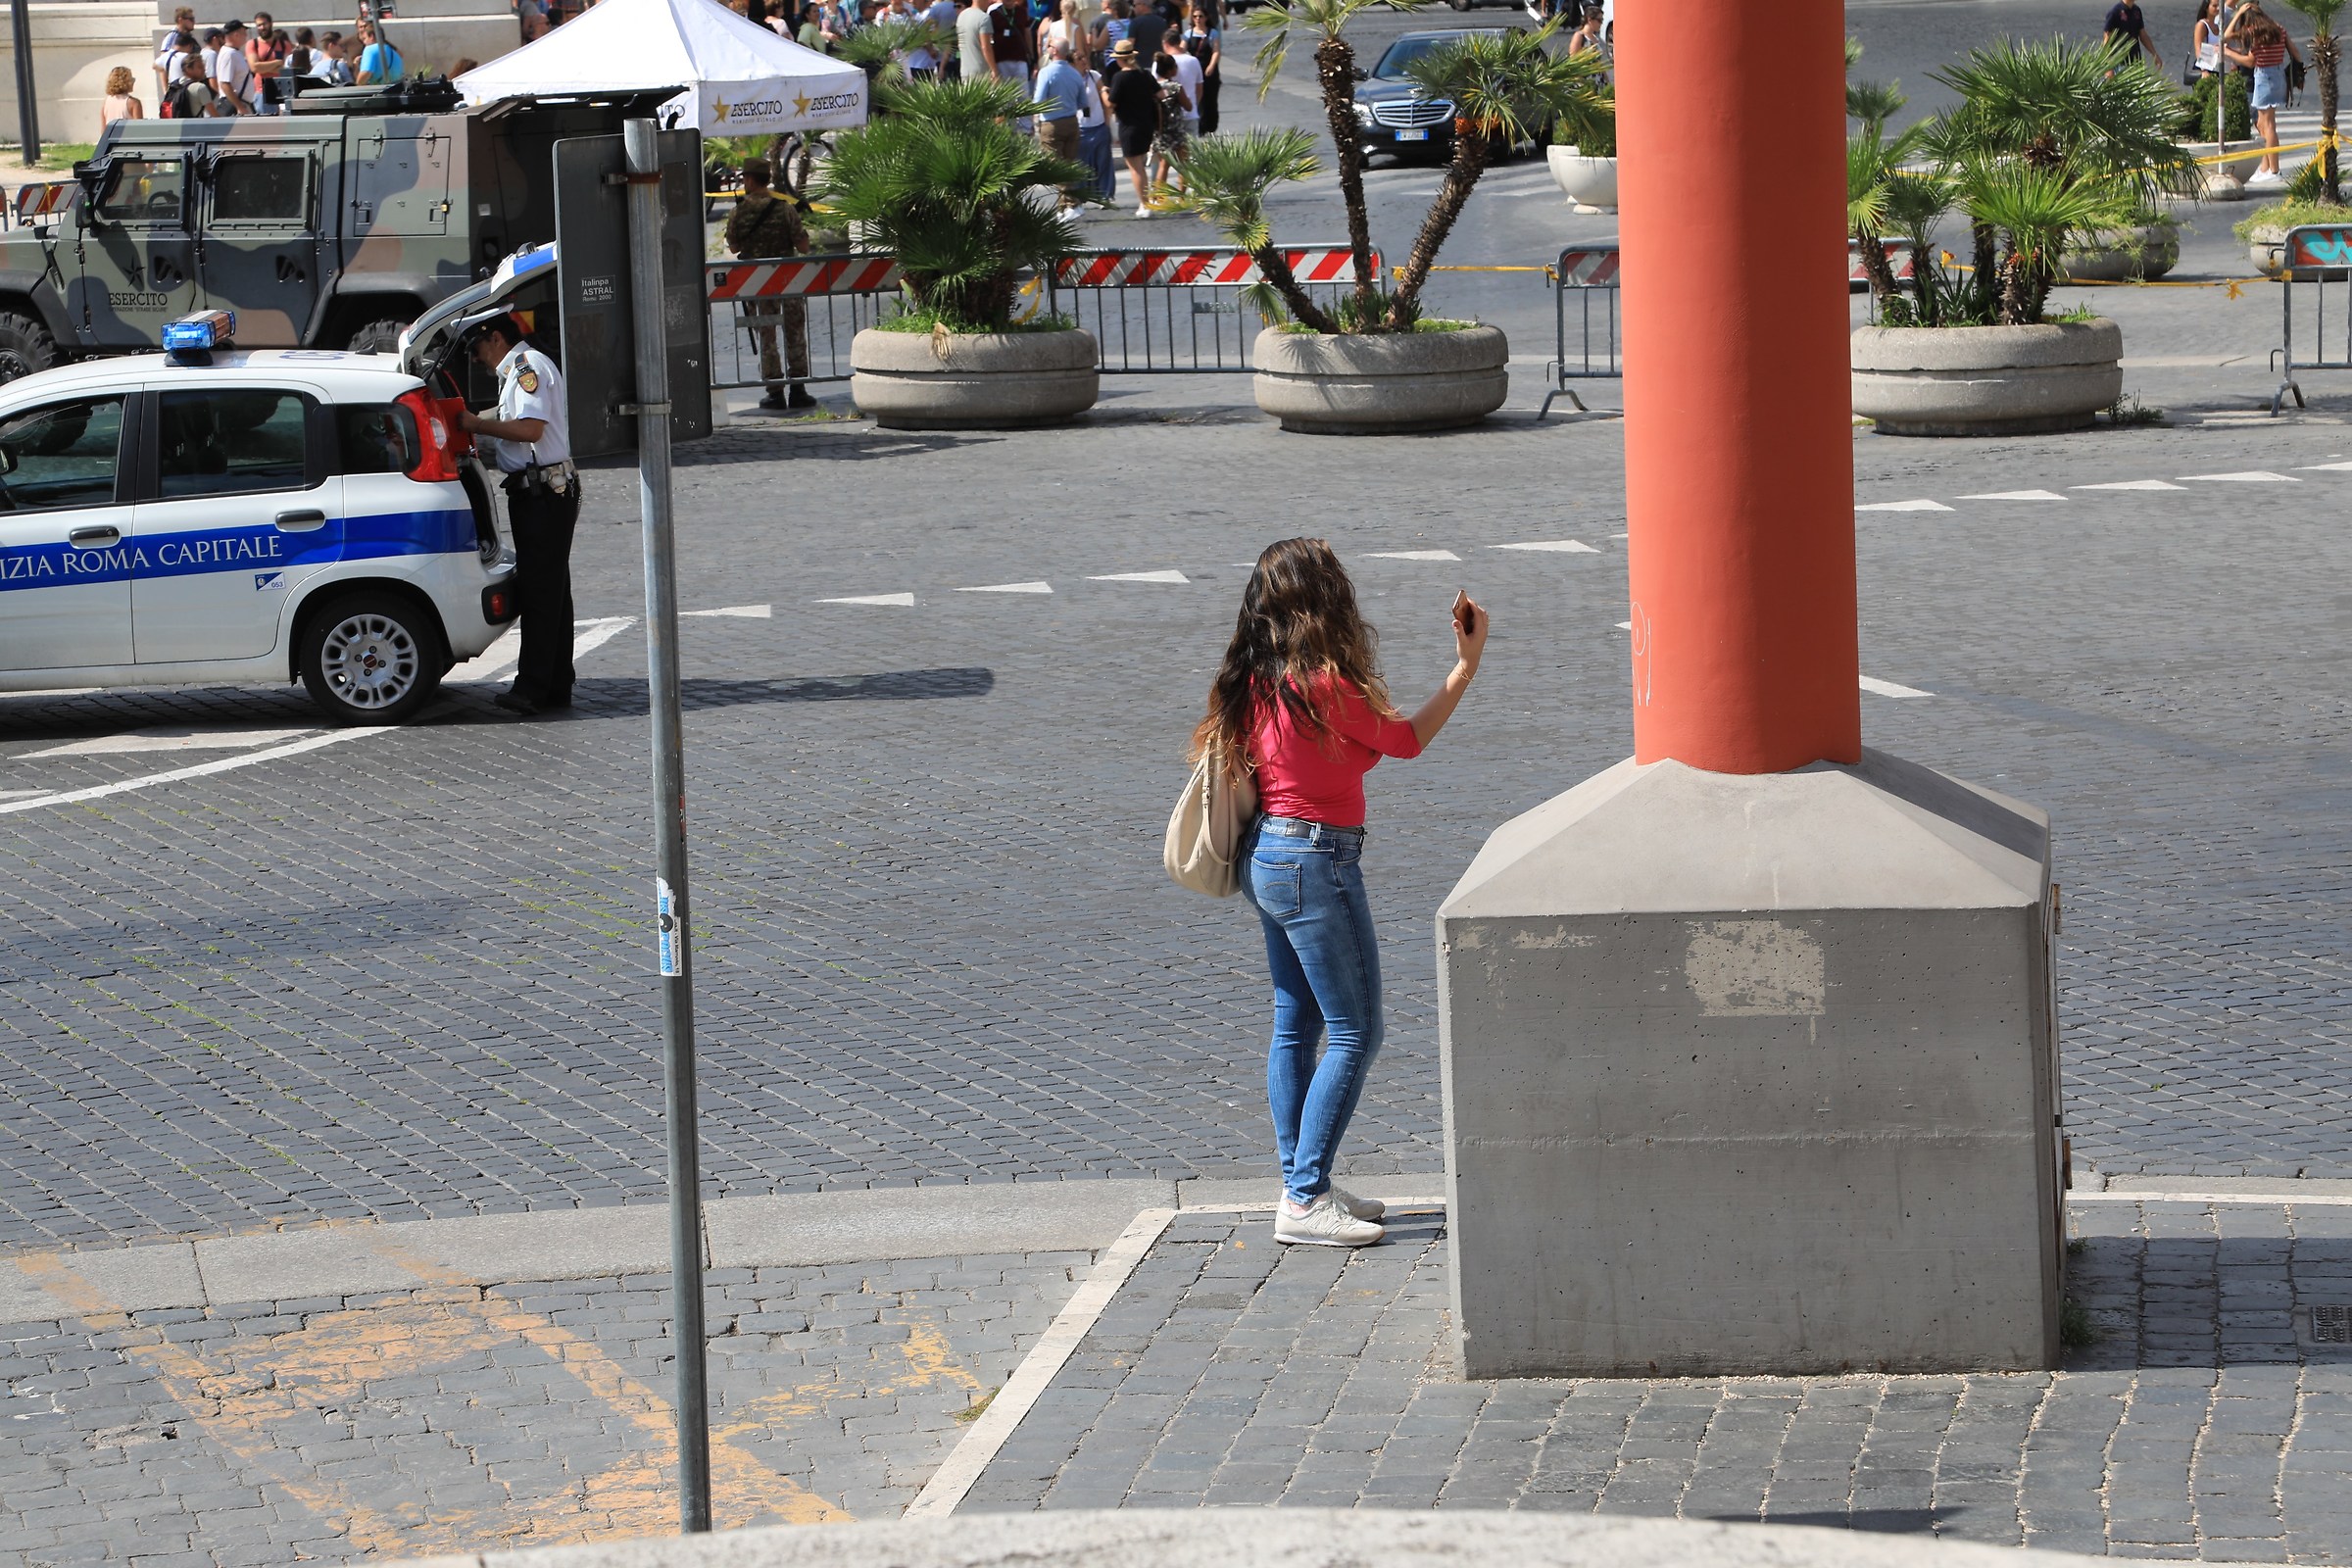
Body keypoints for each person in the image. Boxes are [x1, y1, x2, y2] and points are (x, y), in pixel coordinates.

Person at [1194, 539, 1487, 1248]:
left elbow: (1348, 756)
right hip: (1317, 861)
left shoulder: (1255, 680)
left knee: (1295, 1023)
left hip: (1269, 856)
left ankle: (1304, 1180)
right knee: (1357, 1029)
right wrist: (1465, 665)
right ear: (1325, 599)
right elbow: (1405, 742)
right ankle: (1303, 1197)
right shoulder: (1325, 685)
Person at [459, 316, 578, 718]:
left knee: (540, 591)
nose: (477, 360)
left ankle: (532, 687)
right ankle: (557, 681)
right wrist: (481, 419)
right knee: (552, 589)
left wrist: (478, 424)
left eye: (477, 350)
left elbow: (529, 429)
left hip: (544, 491)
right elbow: (515, 414)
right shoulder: (518, 370)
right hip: (540, 490)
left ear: (496, 338)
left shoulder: (528, 368)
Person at [724, 159, 817, 411]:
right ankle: (798, 388)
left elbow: (733, 247)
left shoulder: (739, 211)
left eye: (745, 179)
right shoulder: (785, 209)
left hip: (758, 284)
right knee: (795, 333)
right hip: (788, 281)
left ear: (751, 180)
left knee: (767, 336)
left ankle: (775, 392)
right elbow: (804, 245)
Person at [2230, 2, 2302, 182]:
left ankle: (2275, 171)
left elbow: (2247, 58)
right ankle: (2265, 167)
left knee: (2268, 125)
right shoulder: (2278, 29)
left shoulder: (2253, 33)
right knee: (2262, 125)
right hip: (2278, 76)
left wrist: (2238, 14)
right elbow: (2296, 53)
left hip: (2264, 77)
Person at [1033, 38, 1088, 214]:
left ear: (1055, 50)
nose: (1047, 49)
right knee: (1069, 163)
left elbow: (1039, 100)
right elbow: (1083, 102)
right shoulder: (1075, 74)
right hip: (1071, 121)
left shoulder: (1046, 73)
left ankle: (1071, 203)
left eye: (1049, 46)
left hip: (1051, 122)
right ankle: (1065, 205)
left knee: (1056, 166)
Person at [1105, 37, 1158, 215]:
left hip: (1129, 126)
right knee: (1141, 165)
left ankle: (1144, 203)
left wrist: (1103, 92)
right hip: (1147, 124)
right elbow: (1161, 93)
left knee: (1135, 168)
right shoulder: (1144, 74)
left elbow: (1111, 104)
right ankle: (1147, 201)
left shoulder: (1120, 78)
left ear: (1120, 59)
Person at [1149, 50, 1191, 198]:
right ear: (1171, 70)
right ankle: (1181, 196)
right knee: (1183, 165)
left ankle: (1159, 197)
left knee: (1163, 165)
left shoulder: (1154, 87)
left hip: (1160, 131)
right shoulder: (1175, 87)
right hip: (1176, 130)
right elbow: (1188, 106)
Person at [1076, 51, 1116, 204]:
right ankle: (1081, 196)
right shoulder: (1071, 78)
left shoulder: (1094, 76)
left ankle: (1105, 195)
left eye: (1084, 57)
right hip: (1080, 127)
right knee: (1081, 164)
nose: (1084, 60)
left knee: (1103, 162)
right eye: (1079, 58)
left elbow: (1104, 100)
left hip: (1098, 125)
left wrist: (1107, 122)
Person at [1182, 0, 1219, 135]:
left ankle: (1211, 125)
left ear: (1206, 18)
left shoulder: (1212, 33)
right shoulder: (1188, 34)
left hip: (1208, 69)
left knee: (1210, 98)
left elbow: (1216, 51)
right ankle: (1200, 127)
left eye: (1200, 16)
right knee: (1197, 97)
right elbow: (1181, 49)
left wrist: (1212, 65)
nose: (1198, 19)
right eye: (1195, 16)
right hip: (1193, 70)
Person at [1161, 27, 1201, 144]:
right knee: (1192, 153)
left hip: (1169, 117)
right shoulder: (1193, 61)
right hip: (1190, 114)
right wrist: (1193, 104)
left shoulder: (1159, 63)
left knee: (1169, 154)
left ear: (1165, 43)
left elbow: (1156, 89)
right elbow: (1199, 88)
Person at [2103, 0, 2163, 74]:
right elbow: (2107, 40)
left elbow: (2143, 36)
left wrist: (2155, 55)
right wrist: (2107, 67)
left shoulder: (2136, 11)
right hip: (2119, 64)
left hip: (2136, 62)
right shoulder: (2114, 12)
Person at [246, 10, 288, 112]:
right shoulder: (252, 44)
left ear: (270, 24)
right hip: (262, 91)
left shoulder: (284, 44)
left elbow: (286, 69)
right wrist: (278, 62)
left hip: (283, 90)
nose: (262, 28)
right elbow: (254, 67)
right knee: (266, 125)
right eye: (258, 25)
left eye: (264, 24)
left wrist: (264, 68)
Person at [214, 21, 258, 114]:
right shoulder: (229, 54)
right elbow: (225, 83)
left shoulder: (234, 53)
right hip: (235, 107)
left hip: (242, 104)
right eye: (243, 33)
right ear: (236, 35)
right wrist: (240, 107)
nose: (246, 36)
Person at [155, 7, 198, 99]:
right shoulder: (172, 36)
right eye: (191, 19)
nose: (194, 22)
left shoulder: (187, 37)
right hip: (177, 89)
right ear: (180, 20)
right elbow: (162, 65)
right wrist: (165, 90)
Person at [355, 17, 404, 84]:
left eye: (365, 38)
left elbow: (365, 73)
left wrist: (357, 85)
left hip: (378, 92)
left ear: (371, 36)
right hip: (396, 91)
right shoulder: (394, 52)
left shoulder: (370, 49)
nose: (364, 42)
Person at [956, 0, 995, 81]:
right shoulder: (984, 18)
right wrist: (994, 70)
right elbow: (986, 48)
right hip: (981, 71)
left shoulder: (961, 15)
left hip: (965, 70)